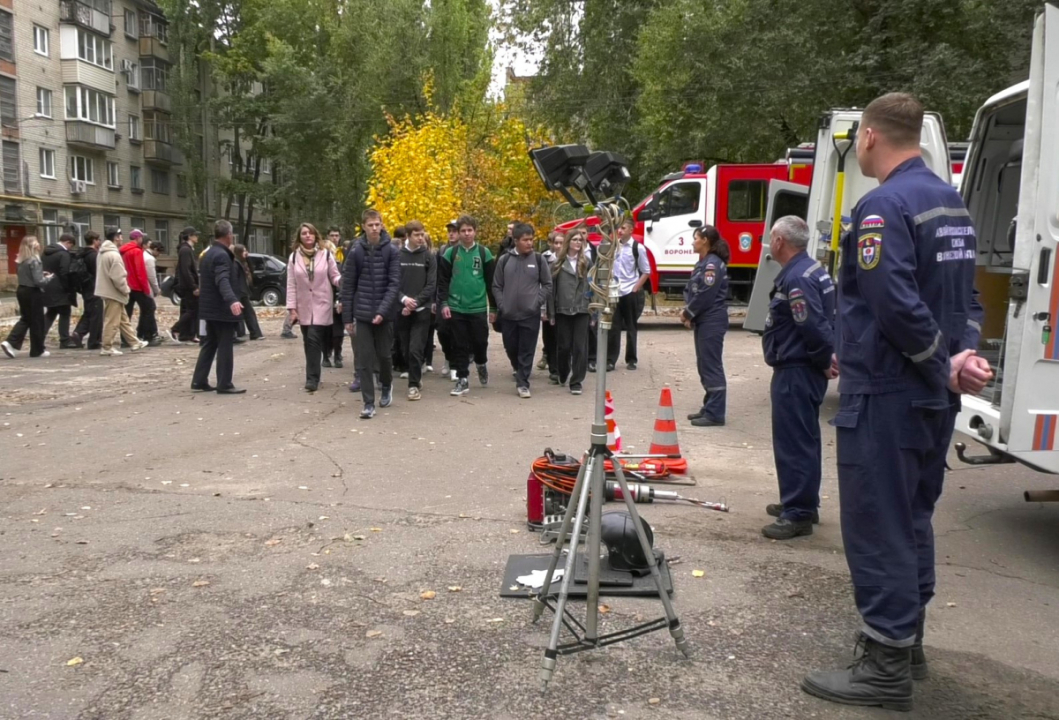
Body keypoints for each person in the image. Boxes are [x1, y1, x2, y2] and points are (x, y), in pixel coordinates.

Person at [800, 93, 991, 712]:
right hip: (932, 396)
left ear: (871, 137)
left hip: (888, 391)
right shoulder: (950, 202)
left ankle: (884, 665)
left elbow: (893, 302)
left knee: (878, 523)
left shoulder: (881, 205)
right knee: (911, 519)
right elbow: (964, 298)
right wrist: (962, 358)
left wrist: (939, 361)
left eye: (858, 138)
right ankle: (908, 645)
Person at [760, 216, 836, 540]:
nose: (769, 242)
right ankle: (802, 500)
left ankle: (798, 513)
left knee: (794, 443)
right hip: (801, 368)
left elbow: (812, 326)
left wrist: (821, 361)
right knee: (804, 439)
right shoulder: (810, 269)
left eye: (771, 237)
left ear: (779, 241)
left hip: (796, 369)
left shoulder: (797, 278)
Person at [342, 209, 401, 418]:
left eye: (377, 224)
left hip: (385, 315)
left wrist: (383, 311)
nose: (374, 228)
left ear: (382, 225)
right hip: (363, 314)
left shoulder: (392, 251)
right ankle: (368, 403)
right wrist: (348, 318)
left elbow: (394, 285)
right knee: (364, 360)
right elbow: (348, 286)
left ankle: (386, 385)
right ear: (364, 227)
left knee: (384, 356)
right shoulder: (356, 251)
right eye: (370, 225)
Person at [437, 215, 496, 396]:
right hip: (456, 307)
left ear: (475, 232)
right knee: (459, 344)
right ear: (458, 233)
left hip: (478, 307)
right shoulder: (450, 254)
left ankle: (481, 363)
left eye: (470, 230)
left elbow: (490, 282)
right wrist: (444, 303)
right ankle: (462, 379)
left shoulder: (485, 254)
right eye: (463, 230)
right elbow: (443, 281)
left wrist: (493, 308)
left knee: (480, 341)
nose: (466, 233)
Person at [493, 222, 552, 399]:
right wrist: (502, 305)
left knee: (527, 349)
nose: (529, 243)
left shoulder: (539, 259)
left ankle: (523, 383)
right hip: (509, 314)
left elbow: (547, 284)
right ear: (516, 240)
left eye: (531, 239)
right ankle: (518, 369)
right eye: (525, 240)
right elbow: (496, 285)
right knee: (511, 347)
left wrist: (536, 302)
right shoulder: (505, 260)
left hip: (530, 315)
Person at [681, 225, 729, 427]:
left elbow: (706, 294)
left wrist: (688, 313)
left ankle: (716, 413)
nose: (693, 242)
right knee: (704, 364)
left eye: (696, 238)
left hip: (712, 320)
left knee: (711, 365)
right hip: (704, 319)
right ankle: (709, 406)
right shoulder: (703, 263)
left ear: (705, 241)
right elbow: (691, 289)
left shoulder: (712, 265)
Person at [286, 223, 343, 392]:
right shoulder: (294, 258)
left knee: (313, 338)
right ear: (299, 237)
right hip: (303, 305)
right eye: (304, 233)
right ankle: (314, 371)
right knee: (308, 341)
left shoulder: (325, 255)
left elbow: (334, 276)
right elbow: (291, 284)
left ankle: (312, 379)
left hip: (322, 303)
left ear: (316, 235)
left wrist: (344, 283)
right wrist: (291, 308)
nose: (308, 236)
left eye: (310, 233)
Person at [191, 220, 245, 393]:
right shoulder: (221, 255)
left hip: (209, 308)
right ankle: (224, 383)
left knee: (210, 343)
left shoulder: (208, 253)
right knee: (224, 345)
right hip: (221, 309)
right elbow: (222, 279)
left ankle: (199, 380)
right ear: (229, 235)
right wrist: (232, 300)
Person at [596, 218, 650, 372]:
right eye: (618, 228)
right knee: (614, 326)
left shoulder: (637, 248)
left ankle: (631, 359)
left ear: (631, 230)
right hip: (615, 291)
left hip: (629, 291)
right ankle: (611, 360)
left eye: (623, 228)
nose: (620, 231)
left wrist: (635, 288)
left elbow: (646, 271)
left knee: (631, 326)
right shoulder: (614, 247)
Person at [396, 220, 437, 401]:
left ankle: (413, 385)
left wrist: (417, 301)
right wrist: (404, 300)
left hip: (422, 309)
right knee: (404, 349)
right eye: (417, 235)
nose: (421, 238)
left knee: (415, 349)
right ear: (408, 236)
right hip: (401, 309)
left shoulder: (428, 257)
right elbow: (392, 283)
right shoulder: (397, 255)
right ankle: (415, 375)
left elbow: (431, 284)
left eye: (422, 234)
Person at [552, 226, 592, 395]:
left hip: (582, 309)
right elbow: (551, 290)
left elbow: (593, 286)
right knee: (564, 346)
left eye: (580, 240)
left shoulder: (587, 262)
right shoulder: (557, 263)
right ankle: (563, 371)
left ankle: (576, 381)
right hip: (563, 309)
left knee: (579, 347)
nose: (578, 242)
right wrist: (550, 313)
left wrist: (593, 309)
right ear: (568, 242)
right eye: (574, 239)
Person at [96, 228, 147, 356]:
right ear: (116, 238)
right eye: (120, 236)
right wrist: (126, 290)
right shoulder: (114, 254)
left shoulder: (102, 252)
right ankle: (107, 347)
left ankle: (134, 342)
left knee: (123, 319)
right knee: (112, 321)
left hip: (107, 290)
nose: (122, 239)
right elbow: (118, 277)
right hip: (113, 292)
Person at [2, 236, 50, 359]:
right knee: (37, 321)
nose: (39, 244)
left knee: (27, 318)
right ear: (33, 246)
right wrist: (49, 278)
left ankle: (11, 342)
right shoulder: (35, 260)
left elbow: (27, 275)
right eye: (37, 242)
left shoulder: (20, 260)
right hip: (33, 292)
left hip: (22, 290)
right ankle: (37, 350)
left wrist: (40, 274)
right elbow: (39, 282)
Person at [41, 233, 78, 349]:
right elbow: (64, 272)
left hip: (47, 286)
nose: (70, 248)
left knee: (50, 313)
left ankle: (39, 338)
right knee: (65, 313)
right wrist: (68, 288)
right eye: (70, 246)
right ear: (68, 242)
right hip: (60, 289)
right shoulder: (63, 254)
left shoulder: (45, 253)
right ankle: (65, 340)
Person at [121, 229, 157, 343]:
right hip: (137, 286)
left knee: (127, 312)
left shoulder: (124, 251)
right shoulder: (136, 251)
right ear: (138, 238)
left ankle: (125, 339)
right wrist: (146, 288)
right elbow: (140, 272)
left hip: (127, 285)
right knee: (149, 307)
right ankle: (146, 335)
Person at [435, 219, 460, 379]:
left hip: (461, 297)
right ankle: (448, 357)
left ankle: (456, 364)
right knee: (442, 331)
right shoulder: (442, 250)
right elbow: (436, 276)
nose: (451, 233)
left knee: (458, 331)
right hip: (443, 296)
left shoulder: (466, 251)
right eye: (449, 230)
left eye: (454, 230)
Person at [538, 230, 563, 381]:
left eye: (561, 242)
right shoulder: (544, 258)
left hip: (564, 304)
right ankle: (554, 369)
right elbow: (541, 284)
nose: (558, 246)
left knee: (563, 338)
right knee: (550, 338)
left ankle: (562, 367)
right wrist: (542, 308)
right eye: (556, 243)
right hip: (548, 304)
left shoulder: (570, 259)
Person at [71, 231, 103, 350]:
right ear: (94, 241)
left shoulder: (82, 253)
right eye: (98, 240)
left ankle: (78, 333)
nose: (99, 242)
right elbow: (98, 272)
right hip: (94, 286)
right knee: (96, 314)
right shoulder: (93, 255)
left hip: (85, 287)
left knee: (89, 311)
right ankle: (94, 341)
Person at [170, 226, 200, 343]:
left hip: (187, 285)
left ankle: (187, 334)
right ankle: (176, 329)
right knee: (192, 310)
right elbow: (186, 270)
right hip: (188, 286)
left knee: (188, 310)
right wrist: (193, 286)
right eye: (195, 235)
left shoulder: (187, 249)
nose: (197, 237)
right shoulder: (186, 250)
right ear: (190, 236)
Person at [322, 226, 346, 368]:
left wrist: (341, 298)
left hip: (337, 298)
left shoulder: (341, 261)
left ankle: (337, 354)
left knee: (338, 330)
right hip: (324, 300)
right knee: (325, 330)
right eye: (332, 235)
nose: (335, 238)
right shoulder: (320, 264)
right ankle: (326, 355)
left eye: (337, 235)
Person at [232, 244, 263, 341]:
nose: (246, 253)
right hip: (240, 292)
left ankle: (253, 333)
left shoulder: (243, 263)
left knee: (247, 312)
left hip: (243, 291)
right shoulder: (236, 263)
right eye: (244, 251)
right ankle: (251, 333)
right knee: (246, 313)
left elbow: (251, 273)